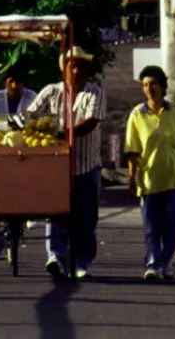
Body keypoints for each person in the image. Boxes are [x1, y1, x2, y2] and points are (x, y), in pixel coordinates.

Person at [26, 46, 107, 280]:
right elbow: (30, 116)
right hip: (57, 166)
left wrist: (62, 133)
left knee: (86, 217)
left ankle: (83, 262)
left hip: (87, 164)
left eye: (81, 66)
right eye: (73, 66)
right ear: (65, 70)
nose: (77, 71)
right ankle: (55, 255)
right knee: (55, 212)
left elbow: (91, 121)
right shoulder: (51, 92)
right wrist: (41, 129)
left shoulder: (95, 93)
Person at [125, 65, 175, 281]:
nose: (149, 89)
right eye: (145, 85)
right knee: (151, 226)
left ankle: (166, 261)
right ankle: (153, 264)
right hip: (149, 179)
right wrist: (131, 179)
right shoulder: (137, 115)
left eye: (153, 84)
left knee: (173, 224)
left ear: (163, 86)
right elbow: (132, 151)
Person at [0, 64, 37, 237]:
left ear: (24, 83)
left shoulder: (32, 97)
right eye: (11, 82)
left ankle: (31, 212)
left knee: (34, 170)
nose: (15, 86)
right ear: (6, 82)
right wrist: (11, 126)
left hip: (25, 145)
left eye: (18, 82)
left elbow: (35, 120)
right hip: (0, 144)